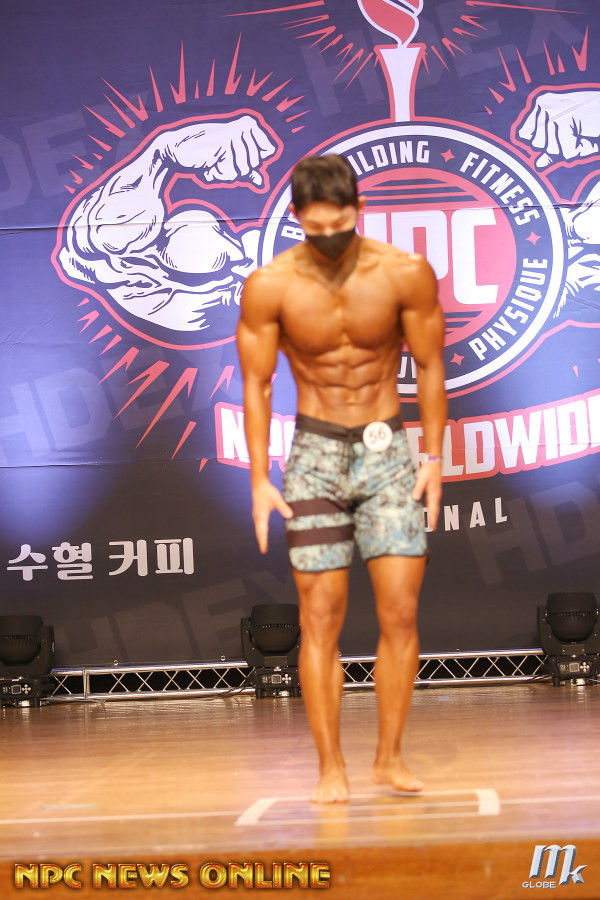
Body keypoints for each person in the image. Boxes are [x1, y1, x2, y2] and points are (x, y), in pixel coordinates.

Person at [236, 154, 446, 804]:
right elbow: (257, 383)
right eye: (316, 227)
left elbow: (430, 365)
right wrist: (259, 478)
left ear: (359, 210)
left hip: (388, 455)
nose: (329, 237)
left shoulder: (403, 272)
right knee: (320, 616)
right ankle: (331, 767)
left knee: (401, 610)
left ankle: (389, 759)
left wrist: (433, 458)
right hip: (315, 458)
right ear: (298, 217)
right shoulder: (270, 286)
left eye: (341, 224)